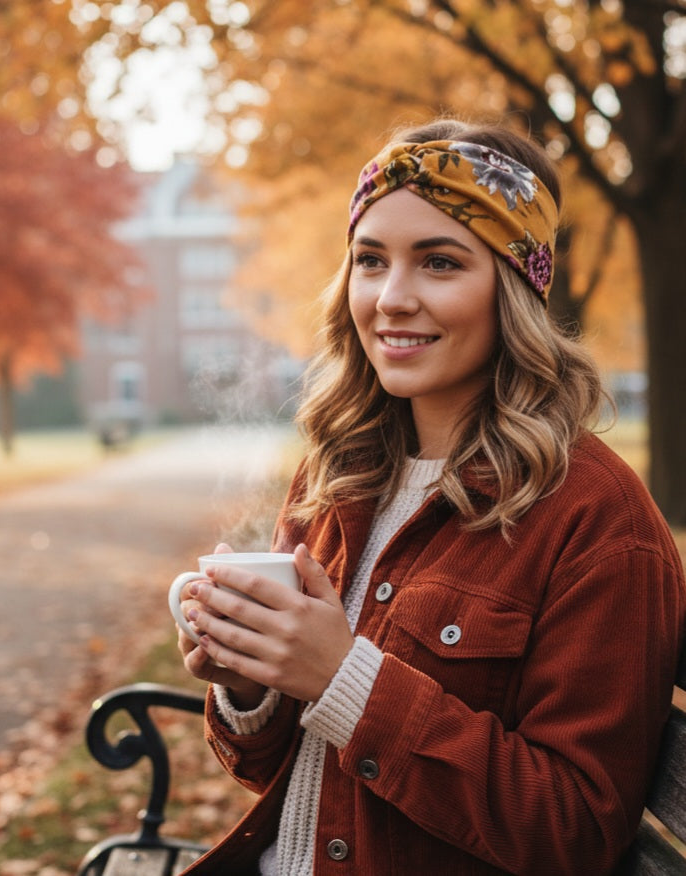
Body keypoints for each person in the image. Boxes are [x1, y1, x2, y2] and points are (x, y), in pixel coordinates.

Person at [173, 118, 686, 875]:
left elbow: (575, 831)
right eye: (370, 260)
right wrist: (251, 684)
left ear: (514, 288)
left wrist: (343, 679)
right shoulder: (335, 475)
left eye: (439, 263)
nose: (391, 298)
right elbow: (289, 777)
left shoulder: (595, 521)